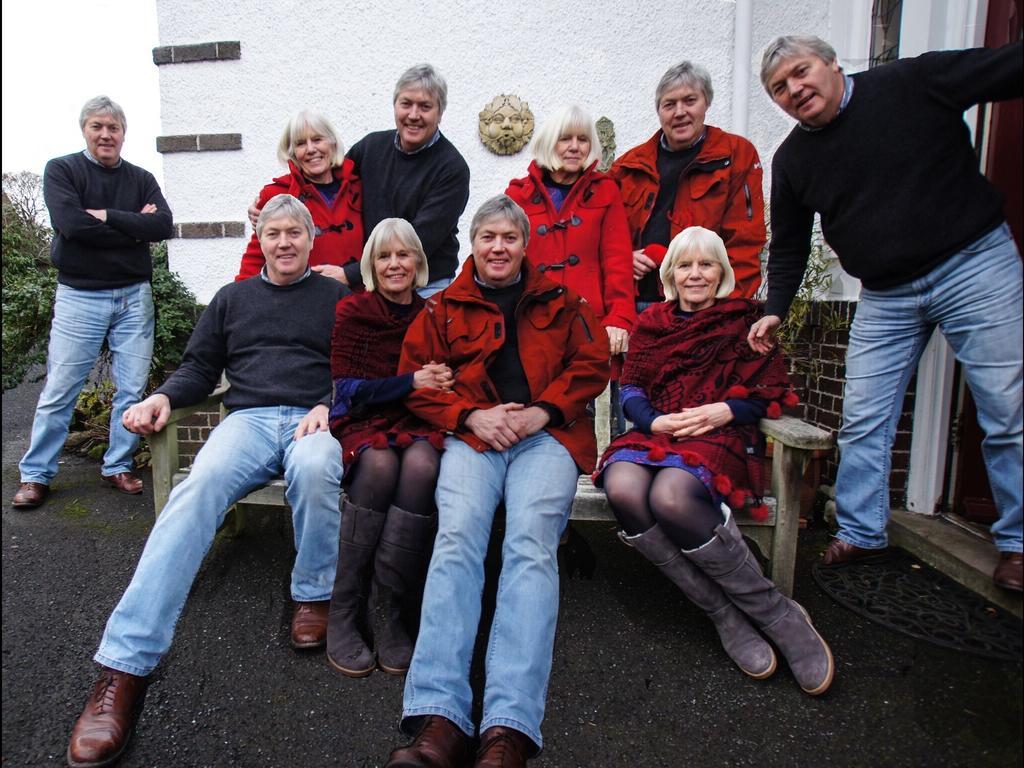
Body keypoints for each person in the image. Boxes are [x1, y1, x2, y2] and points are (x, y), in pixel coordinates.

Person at [65, 195, 348, 768]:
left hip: (312, 416)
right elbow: (199, 367)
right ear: (261, 240)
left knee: (319, 470)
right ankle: (123, 668)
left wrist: (331, 404)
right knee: (195, 490)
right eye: (274, 233)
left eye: (295, 232)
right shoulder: (232, 299)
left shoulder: (337, 298)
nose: (285, 242)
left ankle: (313, 595)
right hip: (244, 419)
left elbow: (359, 368)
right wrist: (163, 396)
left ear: (311, 240)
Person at [750, 36, 1023, 591]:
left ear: (830, 63)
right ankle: (861, 531)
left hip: (972, 263)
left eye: (801, 72)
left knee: (1006, 407)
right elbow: (789, 247)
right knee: (864, 415)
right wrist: (775, 309)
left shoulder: (911, 83)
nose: (795, 90)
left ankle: (1017, 544)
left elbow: (1003, 67)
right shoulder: (794, 159)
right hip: (886, 292)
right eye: (780, 88)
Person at [384, 196, 609, 768]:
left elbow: (591, 365)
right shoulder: (442, 310)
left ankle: (507, 726)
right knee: (456, 539)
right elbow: (418, 382)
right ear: (472, 243)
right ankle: (440, 718)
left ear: (524, 244)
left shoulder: (563, 301)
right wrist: (469, 415)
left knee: (529, 546)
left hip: (545, 437)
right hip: (475, 436)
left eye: (509, 237)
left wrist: (541, 413)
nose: (498, 247)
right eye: (488, 236)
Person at [595, 227, 833, 696]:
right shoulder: (654, 324)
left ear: (722, 272)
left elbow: (773, 395)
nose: (695, 274)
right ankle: (723, 613)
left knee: (670, 496)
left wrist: (726, 409)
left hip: (717, 434)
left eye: (706, 264)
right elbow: (634, 389)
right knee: (622, 485)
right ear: (670, 273)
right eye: (685, 265)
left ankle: (774, 612)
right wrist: (656, 421)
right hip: (658, 431)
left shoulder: (745, 323)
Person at [12, 96, 173, 510]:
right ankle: (36, 475)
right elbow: (70, 225)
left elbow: (162, 224)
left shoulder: (140, 177)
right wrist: (132, 224)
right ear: (85, 129)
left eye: (113, 127)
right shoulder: (62, 170)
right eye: (97, 126)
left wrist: (104, 215)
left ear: (123, 132)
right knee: (61, 388)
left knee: (132, 388)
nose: (106, 134)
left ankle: (118, 464)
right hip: (80, 295)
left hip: (134, 296)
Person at [325, 218, 452, 678]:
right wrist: (411, 382)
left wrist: (433, 384)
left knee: (420, 465)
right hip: (365, 418)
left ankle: (392, 610)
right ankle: (345, 606)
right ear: (371, 265)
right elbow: (349, 390)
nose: (395, 263)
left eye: (403, 254)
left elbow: (444, 377)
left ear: (418, 260)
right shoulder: (353, 311)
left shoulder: (434, 312)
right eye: (384, 256)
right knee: (378, 465)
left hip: (419, 419)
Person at [252, 65, 471, 297]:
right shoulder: (371, 148)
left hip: (424, 287)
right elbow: (324, 174)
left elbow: (419, 241)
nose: (413, 115)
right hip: (373, 284)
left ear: (440, 112)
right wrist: (273, 198)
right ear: (395, 105)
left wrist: (351, 274)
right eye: (406, 104)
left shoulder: (451, 169)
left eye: (425, 106)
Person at [611, 61, 766, 309]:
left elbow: (744, 243)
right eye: (669, 104)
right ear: (659, 111)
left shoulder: (735, 156)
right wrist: (622, 260)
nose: (679, 112)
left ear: (706, 103)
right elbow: (601, 237)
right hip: (637, 304)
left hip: (702, 308)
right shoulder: (628, 167)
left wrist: (728, 312)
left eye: (689, 101)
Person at [504, 104, 636, 357]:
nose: (575, 147)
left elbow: (617, 261)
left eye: (583, 139)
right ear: (550, 142)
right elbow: (503, 263)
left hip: (588, 323)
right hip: (531, 323)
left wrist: (619, 318)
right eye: (565, 139)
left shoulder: (606, 191)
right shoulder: (518, 195)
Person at [236, 110, 363, 282]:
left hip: (357, 302)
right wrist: (240, 300)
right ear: (292, 152)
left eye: (317, 139)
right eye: (301, 143)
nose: (311, 149)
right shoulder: (276, 195)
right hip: (300, 302)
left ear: (332, 143)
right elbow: (257, 257)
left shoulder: (360, 189)